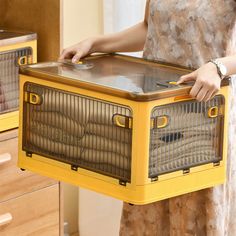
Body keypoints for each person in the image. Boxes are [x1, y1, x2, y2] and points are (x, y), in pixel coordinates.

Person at [60, 0, 236, 235]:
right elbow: (149, 28)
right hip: (154, 118)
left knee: (195, 214)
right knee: (149, 211)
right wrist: (95, 43)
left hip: (204, 120)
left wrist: (218, 67)